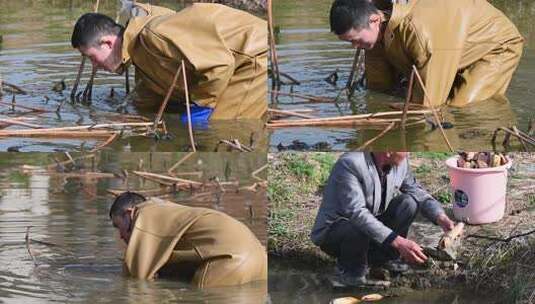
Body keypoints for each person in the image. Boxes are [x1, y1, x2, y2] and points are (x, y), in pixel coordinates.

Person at [71, 2, 267, 121]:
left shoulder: (153, 36)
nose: (94, 66)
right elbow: (151, 90)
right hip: (236, 59)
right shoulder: (138, 48)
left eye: (91, 57)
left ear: (107, 42)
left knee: (221, 128)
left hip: (250, 59)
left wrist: (201, 106)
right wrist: (134, 114)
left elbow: (220, 66)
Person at [329, 0, 524, 107]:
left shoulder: (420, 32)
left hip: (494, 47)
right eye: (348, 42)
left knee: (461, 107)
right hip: (449, 45)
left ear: (374, 20)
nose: (354, 47)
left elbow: (428, 104)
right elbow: (379, 87)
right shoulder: (373, 34)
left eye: (354, 40)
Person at [310, 152, 455, 287]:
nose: (409, 152)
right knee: (357, 226)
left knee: (408, 203)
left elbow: (417, 192)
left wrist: (440, 217)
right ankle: (351, 271)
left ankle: (385, 259)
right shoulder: (350, 164)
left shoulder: (400, 163)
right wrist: (398, 241)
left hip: (368, 229)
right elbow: (357, 214)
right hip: (336, 232)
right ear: (387, 150)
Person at [109, 192, 267, 287]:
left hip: (231, 260)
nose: (121, 235)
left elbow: (137, 280)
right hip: (260, 260)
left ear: (129, 214)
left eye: (118, 226)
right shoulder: (164, 210)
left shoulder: (144, 216)